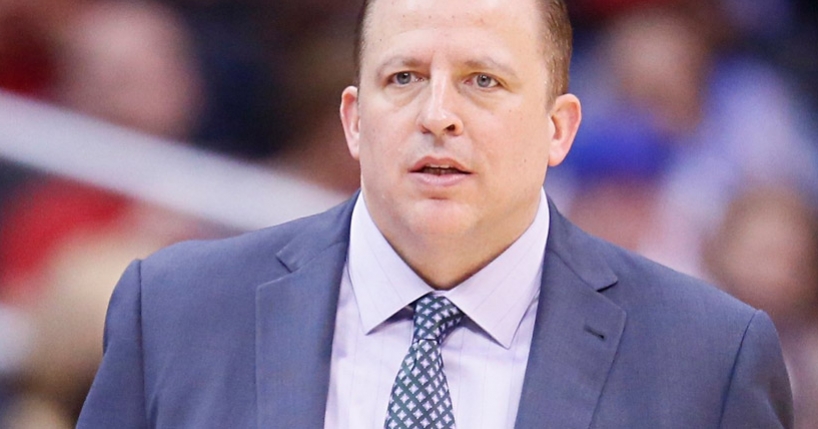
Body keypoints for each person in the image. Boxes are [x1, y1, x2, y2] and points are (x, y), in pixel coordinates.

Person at [77, 0, 793, 427]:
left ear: (559, 128)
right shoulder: (174, 313)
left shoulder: (708, 360)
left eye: (483, 80)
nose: (438, 115)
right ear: (354, 120)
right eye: (404, 77)